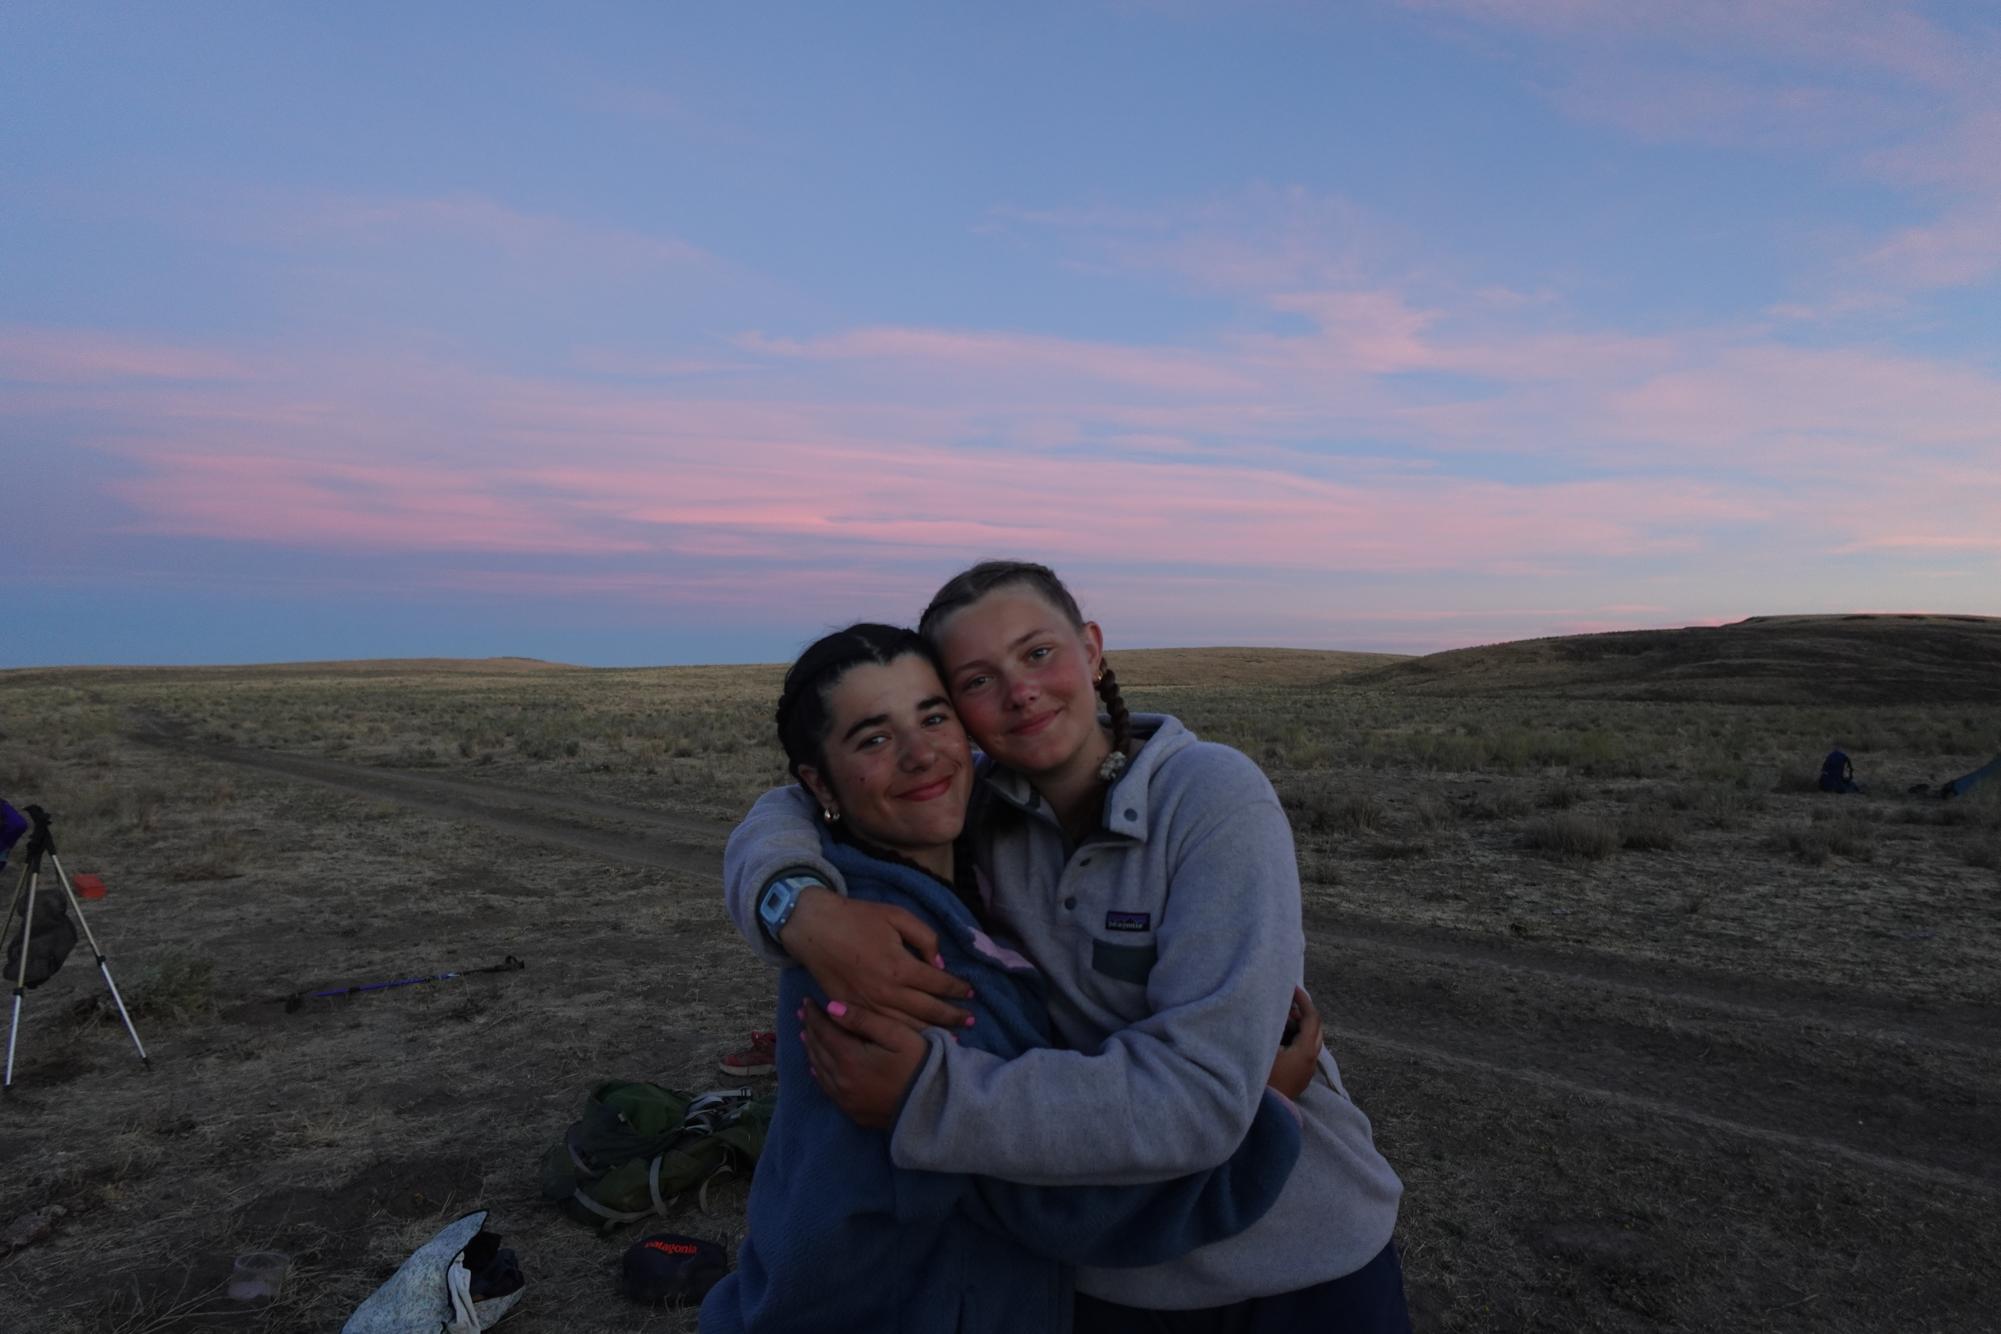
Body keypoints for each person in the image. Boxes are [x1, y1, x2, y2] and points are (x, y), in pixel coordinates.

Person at [724, 563, 1409, 1333]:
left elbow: (1203, 1100)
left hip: (1292, 1257)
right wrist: (798, 905)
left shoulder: (1209, 797)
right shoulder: (972, 806)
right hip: (1109, 1283)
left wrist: (929, 1094)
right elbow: (793, 800)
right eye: (979, 680)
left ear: (1092, 649)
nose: (1019, 692)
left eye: (1038, 653)